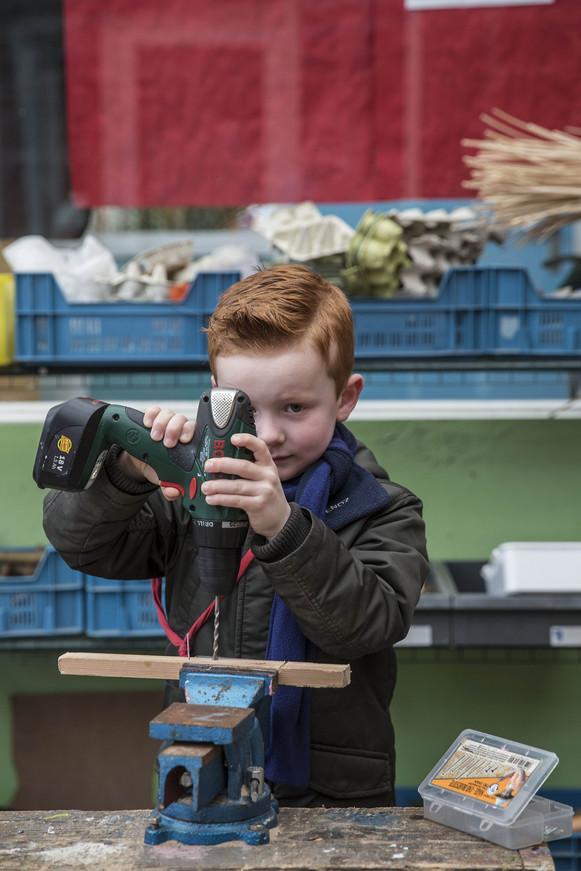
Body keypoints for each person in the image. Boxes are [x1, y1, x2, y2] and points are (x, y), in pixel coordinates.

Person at [43, 264, 428, 807]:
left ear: (344, 398)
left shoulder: (382, 510)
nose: (269, 433)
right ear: (216, 395)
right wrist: (127, 475)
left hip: (331, 795)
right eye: (246, 406)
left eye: (295, 407)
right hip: (202, 769)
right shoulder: (193, 495)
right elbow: (82, 545)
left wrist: (282, 528)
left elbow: (367, 625)